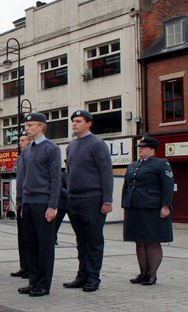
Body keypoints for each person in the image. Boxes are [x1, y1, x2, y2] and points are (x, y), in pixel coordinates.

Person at [64, 110, 113, 293]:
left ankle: (93, 278)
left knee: (93, 241)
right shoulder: (71, 146)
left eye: (78, 121)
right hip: (74, 199)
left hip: (93, 198)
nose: (74, 124)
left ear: (88, 123)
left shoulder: (97, 144)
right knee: (81, 241)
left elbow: (106, 173)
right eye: (73, 121)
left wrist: (107, 200)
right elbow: (69, 172)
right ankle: (82, 275)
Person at [17, 113, 61, 298]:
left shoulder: (51, 148)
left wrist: (52, 206)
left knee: (44, 246)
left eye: (31, 125)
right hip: (28, 204)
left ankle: (43, 284)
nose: (27, 128)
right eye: (26, 125)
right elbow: (23, 178)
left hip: (43, 203)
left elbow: (56, 178)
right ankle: (33, 281)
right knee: (31, 245)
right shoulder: (27, 150)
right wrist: (21, 203)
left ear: (42, 127)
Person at [122, 136, 174, 286]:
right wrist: (126, 206)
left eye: (143, 148)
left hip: (152, 208)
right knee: (139, 241)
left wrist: (166, 205)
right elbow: (126, 187)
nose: (140, 150)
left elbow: (168, 186)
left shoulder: (161, 164)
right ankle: (143, 273)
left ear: (152, 149)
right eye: (139, 148)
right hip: (134, 208)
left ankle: (152, 274)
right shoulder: (132, 165)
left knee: (152, 241)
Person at [11, 133, 31, 279]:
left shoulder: (31, 157)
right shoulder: (20, 158)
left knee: (30, 238)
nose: (20, 143)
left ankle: (31, 267)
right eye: (19, 141)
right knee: (22, 237)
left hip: (30, 202)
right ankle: (24, 265)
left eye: (23, 140)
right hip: (21, 202)